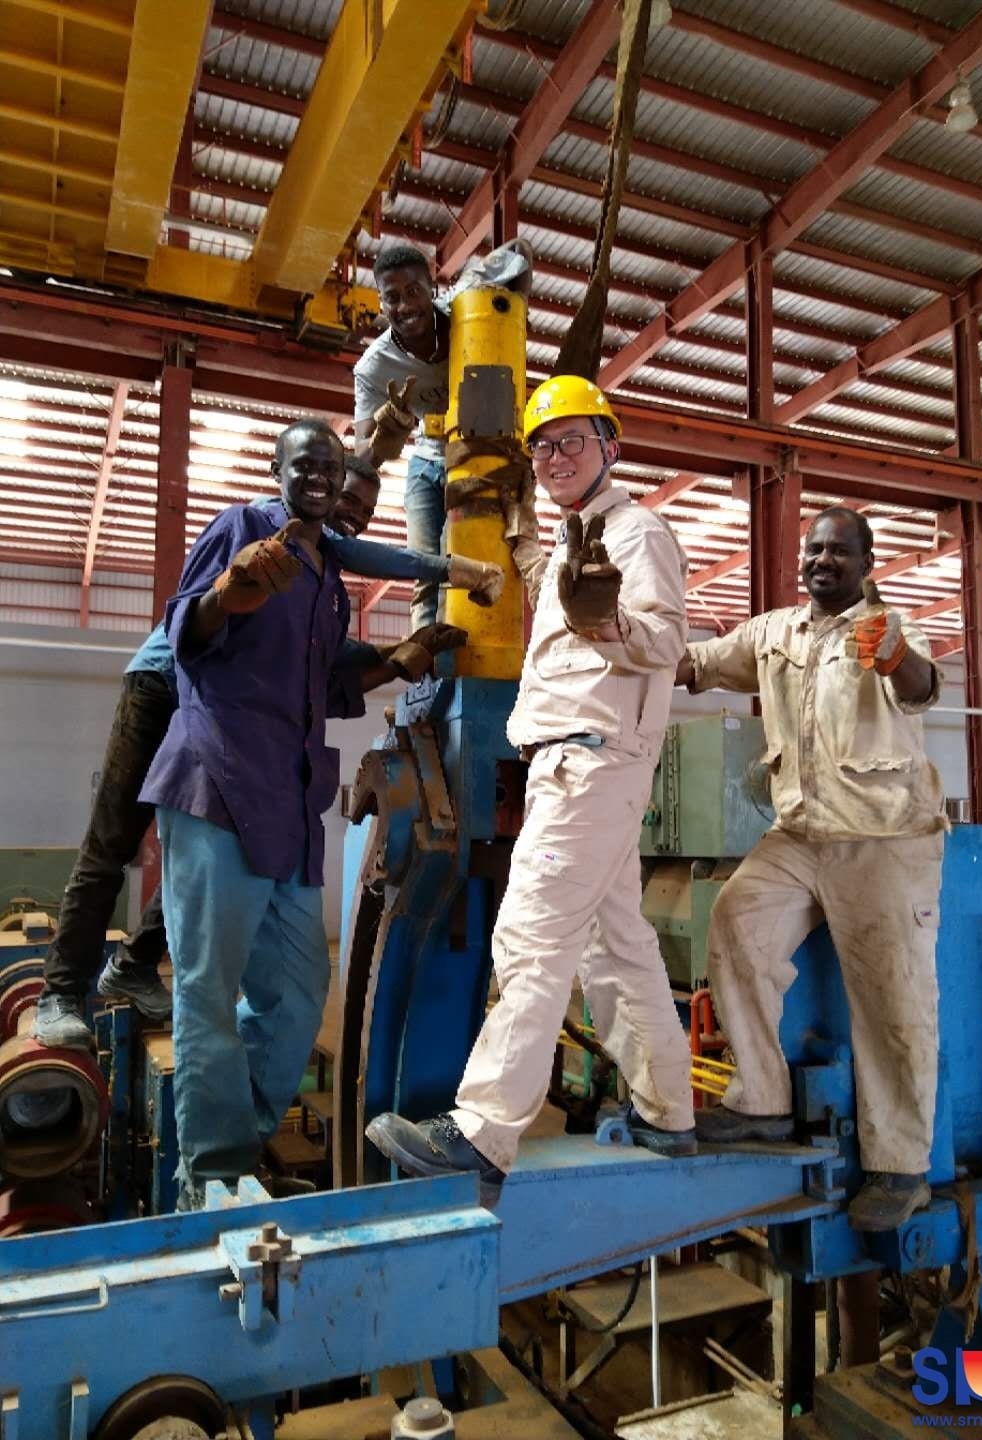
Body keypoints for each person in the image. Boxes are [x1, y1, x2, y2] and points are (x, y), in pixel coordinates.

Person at [33, 455, 501, 1052]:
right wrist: (458, 571)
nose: (349, 514)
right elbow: (385, 561)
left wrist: (395, 656)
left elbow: (326, 658)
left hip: (229, 712)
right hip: (166, 684)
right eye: (342, 498)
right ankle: (62, 990)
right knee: (114, 842)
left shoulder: (323, 577)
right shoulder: (256, 527)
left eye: (360, 507)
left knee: (215, 843)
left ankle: (134, 961)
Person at [366, 376, 697, 1204]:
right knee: (614, 946)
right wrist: (516, 531)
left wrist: (607, 620)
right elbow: (551, 578)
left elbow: (663, 643)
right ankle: (670, 1111)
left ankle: (482, 1134)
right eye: (543, 446)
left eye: (573, 440)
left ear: (610, 445)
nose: (556, 456)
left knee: (529, 939)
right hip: (575, 764)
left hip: (591, 760)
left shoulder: (638, 531)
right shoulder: (577, 541)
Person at [678, 507, 945, 1233]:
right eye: (814, 550)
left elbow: (921, 685)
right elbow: (696, 663)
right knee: (736, 922)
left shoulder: (888, 629)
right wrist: (619, 634)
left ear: (867, 563)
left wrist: (894, 656)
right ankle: (760, 1098)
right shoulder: (775, 633)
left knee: (893, 1000)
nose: (822, 561)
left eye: (839, 552)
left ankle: (900, 1166)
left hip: (884, 840)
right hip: (799, 838)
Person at [353, 240, 531, 629]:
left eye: (414, 291)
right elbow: (361, 457)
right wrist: (387, 436)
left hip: (483, 459)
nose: (405, 306)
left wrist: (513, 320)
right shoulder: (373, 369)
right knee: (426, 571)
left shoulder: (465, 306)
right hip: (427, 464)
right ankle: (426, 662)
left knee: (491, 559)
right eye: (392, 298)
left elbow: (520, 252)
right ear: (381, 303)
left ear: (432, 288)